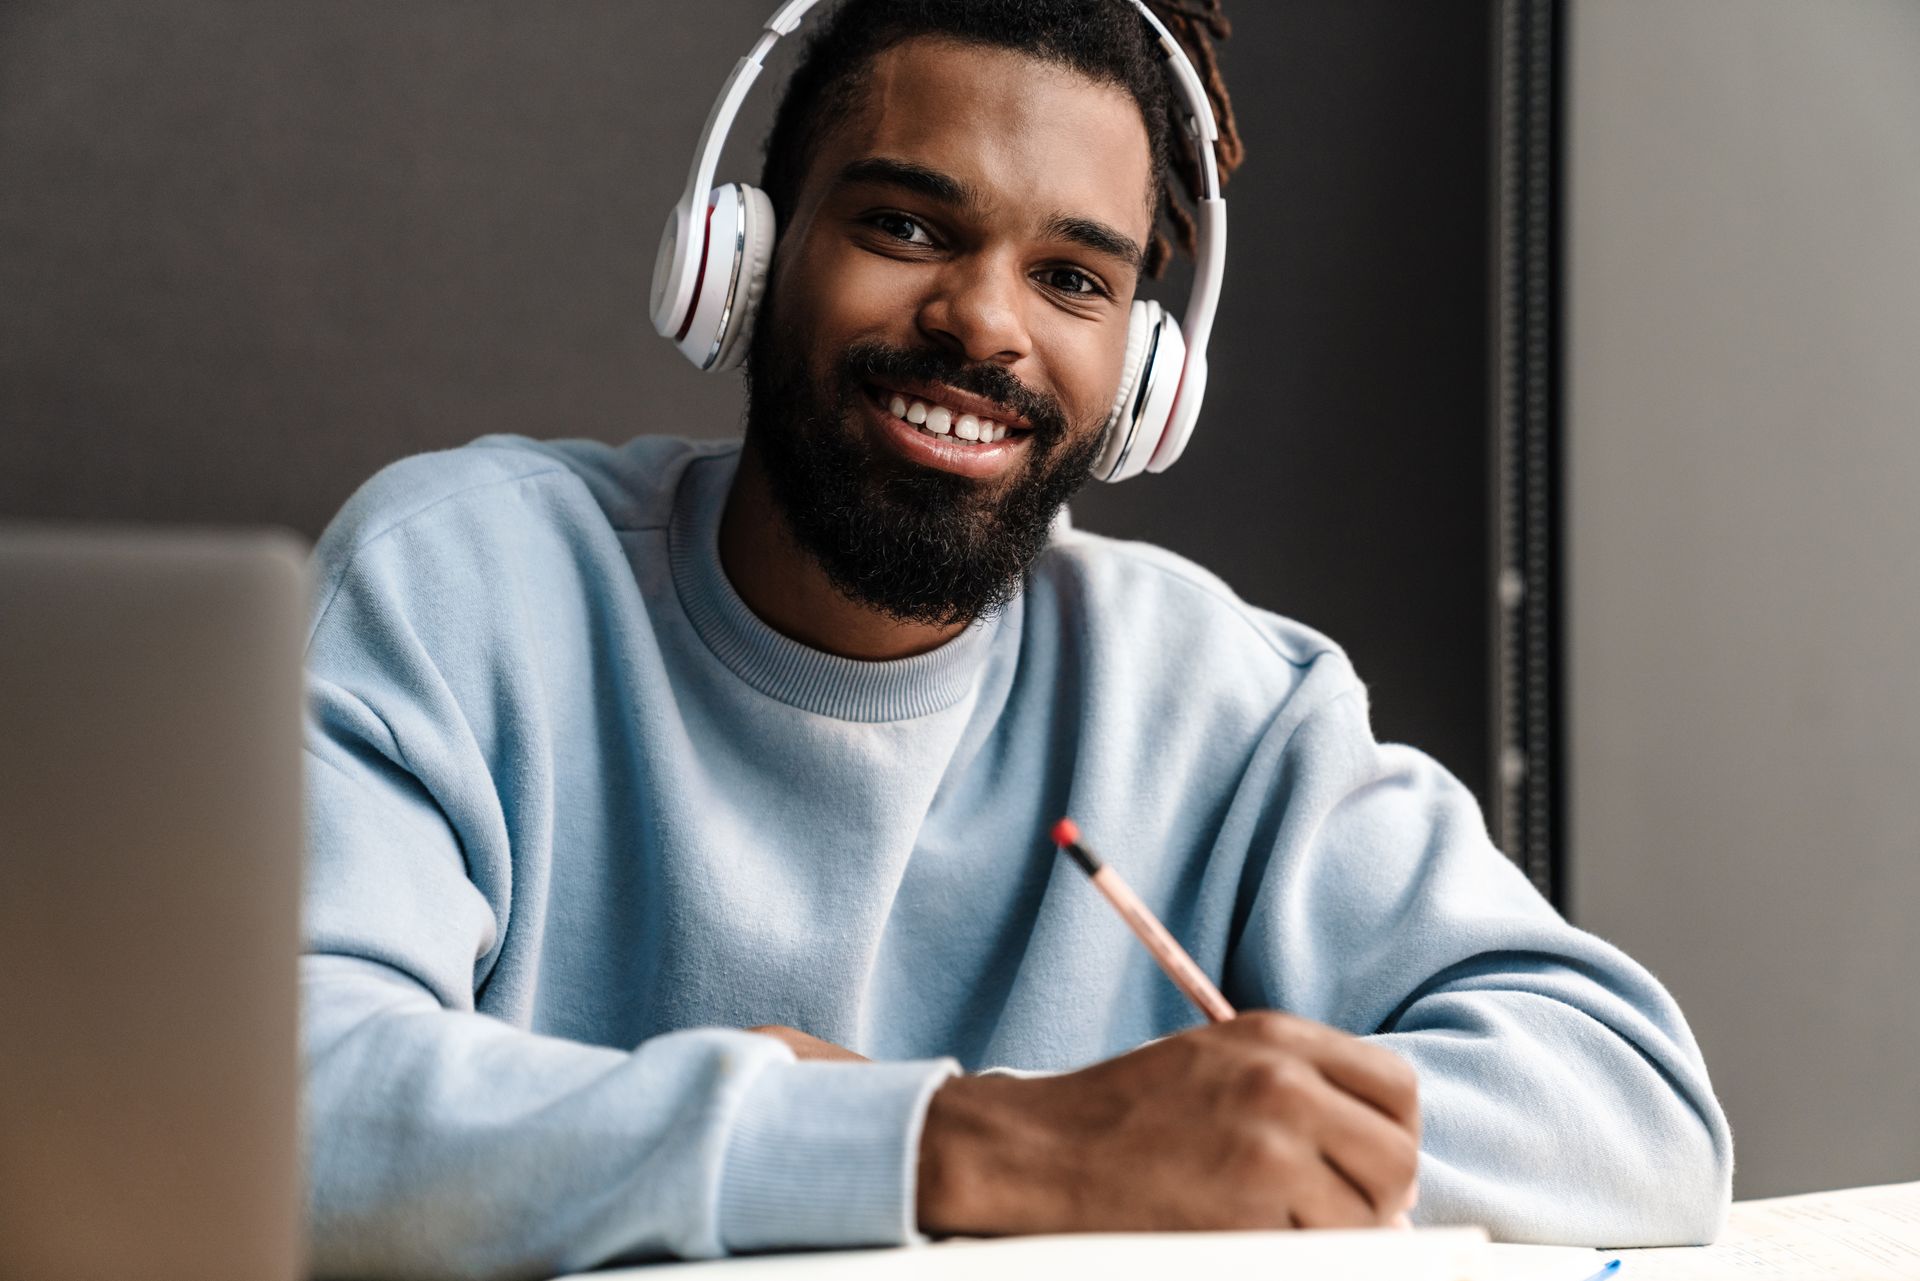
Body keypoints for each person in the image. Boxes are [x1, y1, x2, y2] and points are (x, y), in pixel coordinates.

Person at [300, 2, 1732, 1277]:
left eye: (1075, 278)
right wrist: (980, 1146)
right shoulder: (462, 583)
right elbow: (282, 1103)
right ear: (746, 252)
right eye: (908, 226)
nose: (984, 323)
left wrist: (1212, 1139)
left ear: (1147, 375)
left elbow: (1631, 1103)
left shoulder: (1225, 701)